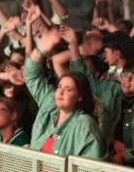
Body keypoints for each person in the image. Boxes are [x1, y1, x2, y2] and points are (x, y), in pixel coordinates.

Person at [24, 23, 104, 159]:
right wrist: (40, 50)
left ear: (79, 97)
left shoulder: (85, 124)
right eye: (59, 87)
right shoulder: (49, 104)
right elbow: (31, 76)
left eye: (68, 89)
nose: (60, 92)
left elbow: (91, 167)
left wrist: (73, 45)